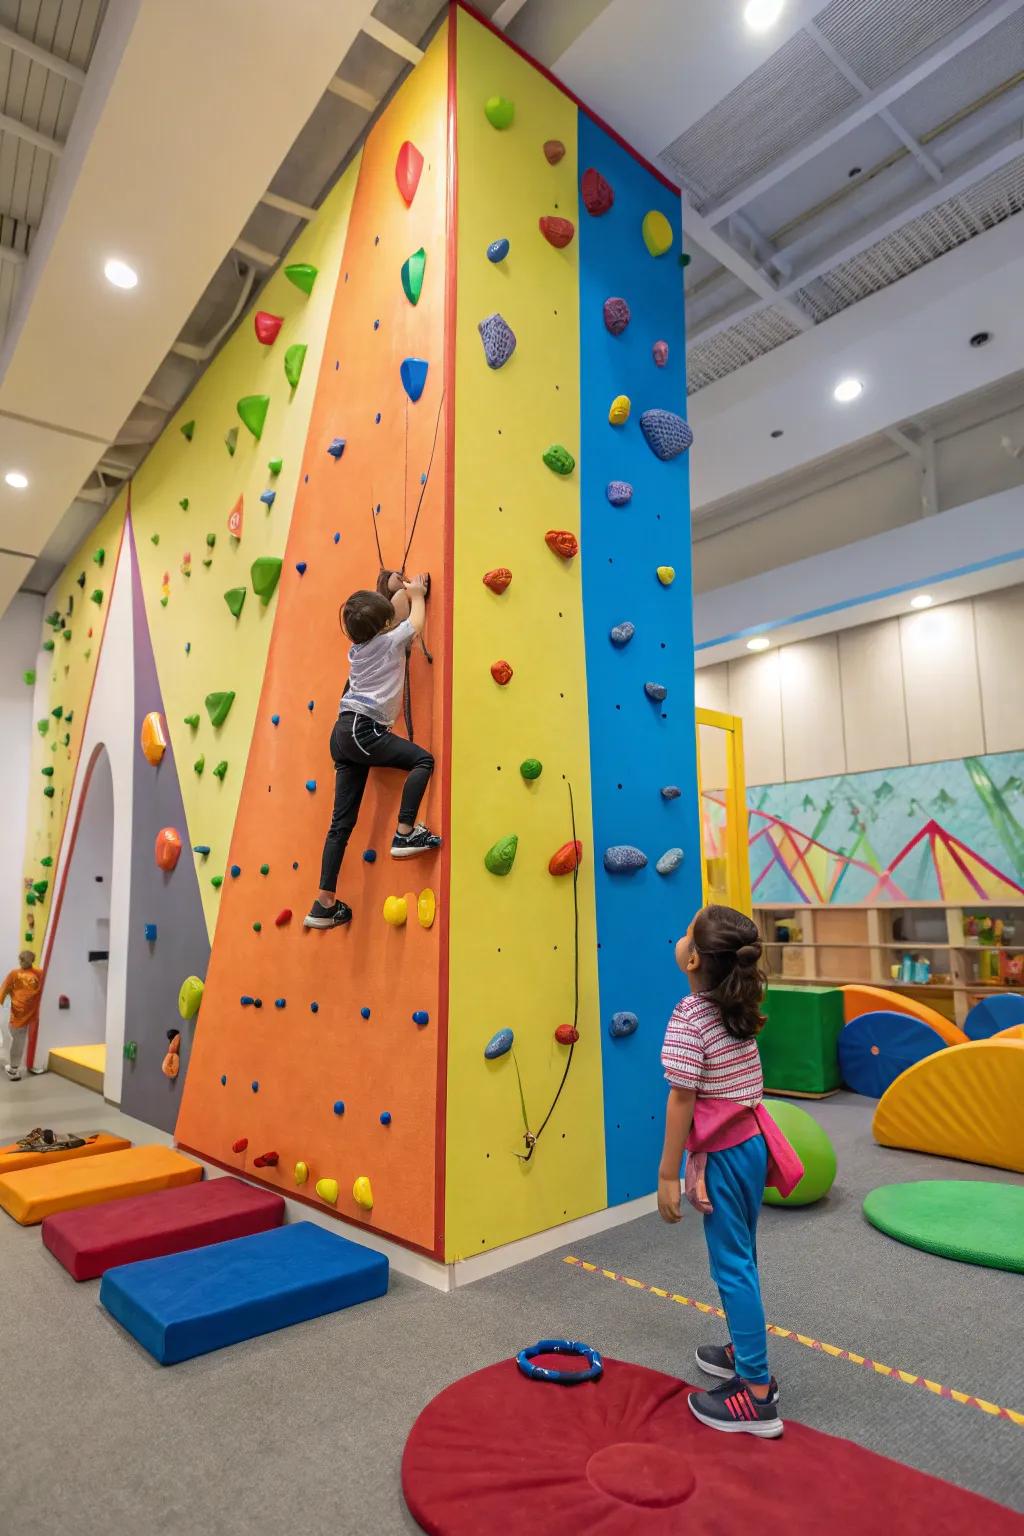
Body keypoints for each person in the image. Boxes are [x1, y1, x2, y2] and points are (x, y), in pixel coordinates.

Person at [657, 905, 802, 1438]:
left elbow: (683, 1098)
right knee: (743, 1253)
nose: (679, 938)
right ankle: (745, 1348)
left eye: (685, 934)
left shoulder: (691, 1016)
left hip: (725, 1154)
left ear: (693, 958)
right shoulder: (736, 1003)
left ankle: (758, 1396)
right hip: (748, 1144)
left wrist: (668, 1172)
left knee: (731, 1265)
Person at [305, 573, 441, 930]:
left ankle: (324, 903)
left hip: (343, 732)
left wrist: (394, 589)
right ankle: (405, 832)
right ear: (383, 625)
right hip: (362, 729)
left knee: (340, 824)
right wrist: (418, 594)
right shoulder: (391, 641)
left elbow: (387, 617)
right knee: (422, 760)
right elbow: (414, 622)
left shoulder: (360, 647)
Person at [1, 948, 44, 1081]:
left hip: (27, 1014)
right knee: (21, 1041)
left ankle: (22, 1067)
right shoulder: (20, 974)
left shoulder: (36, 973)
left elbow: (3, 989)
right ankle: (20, 1067)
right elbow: (3, 989)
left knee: (25, 1041)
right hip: (23, 1014)